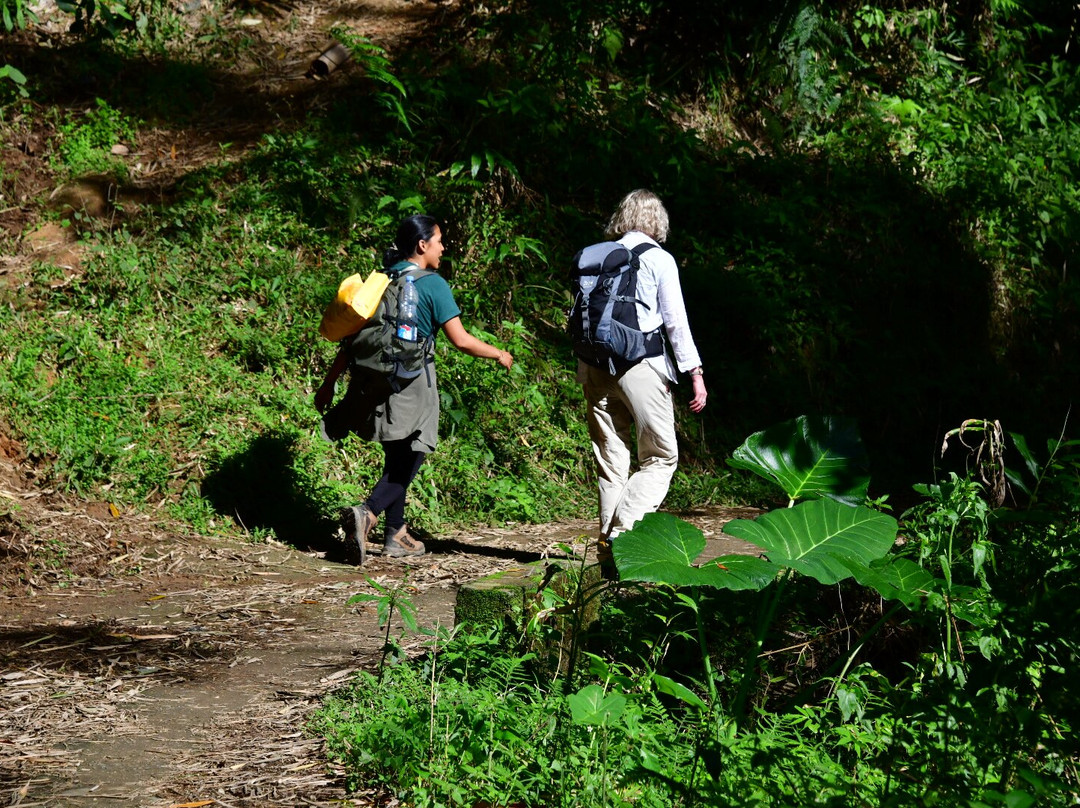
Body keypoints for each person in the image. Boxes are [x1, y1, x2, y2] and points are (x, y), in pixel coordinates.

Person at [315, 214, 514, 562]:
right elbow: (462, 340)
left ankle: (397, 535)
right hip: (414, 382)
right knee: (412, 455)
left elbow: (348, 342)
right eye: (439, 241)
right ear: (422, 246)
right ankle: (368, 513)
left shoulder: (382, 280)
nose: (443, 247)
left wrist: (329, 383)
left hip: (376, 383)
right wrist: (499, 353)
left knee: (398, 455)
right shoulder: (433, 284)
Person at [578, 189, 707, 565]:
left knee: (611, 460)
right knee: (661, 457)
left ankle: (607, 554)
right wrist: (694, 373)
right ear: (658, 222)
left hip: (594, 367)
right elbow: (675, 322)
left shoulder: (597, 257)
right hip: (641, 367)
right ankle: (621, 534)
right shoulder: (659, 259)